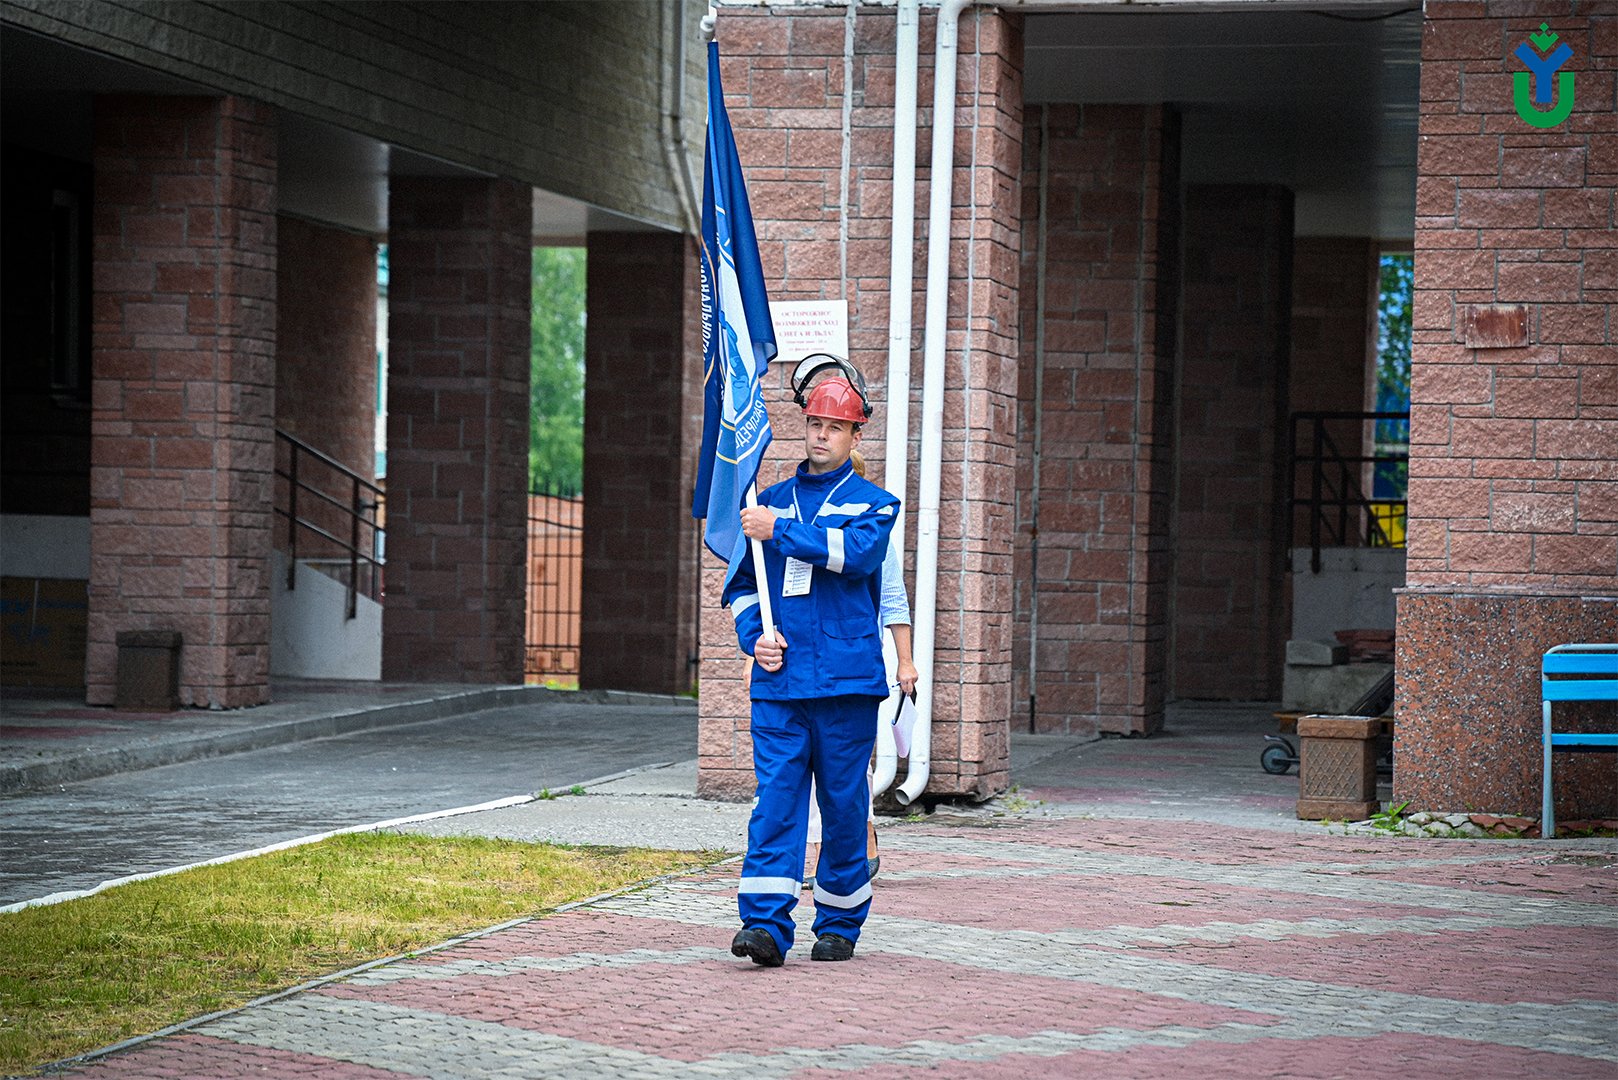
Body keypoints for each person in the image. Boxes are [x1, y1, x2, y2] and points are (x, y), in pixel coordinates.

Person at [723, 373, 899, 966]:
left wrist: (783, 533)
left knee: (845, 805)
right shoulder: (765, 501)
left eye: (835, 427)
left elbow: (853, 556)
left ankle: (841, 921)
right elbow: (744, 588)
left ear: (855, 433)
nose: (822, 436)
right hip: (781, 682)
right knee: (775, 801)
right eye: (815, 424)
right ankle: (766, 926)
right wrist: (756, 638)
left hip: (847, 684)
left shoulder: (875, 504)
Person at [803, 447, 917, 889]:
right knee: (809, 761)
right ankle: (818, 849)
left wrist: (905, 661)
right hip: (809, 662)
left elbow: (893, 598)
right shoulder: (807, 529)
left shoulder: (875, 533)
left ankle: (862, 835)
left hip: (856, 662)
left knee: (851, 766)